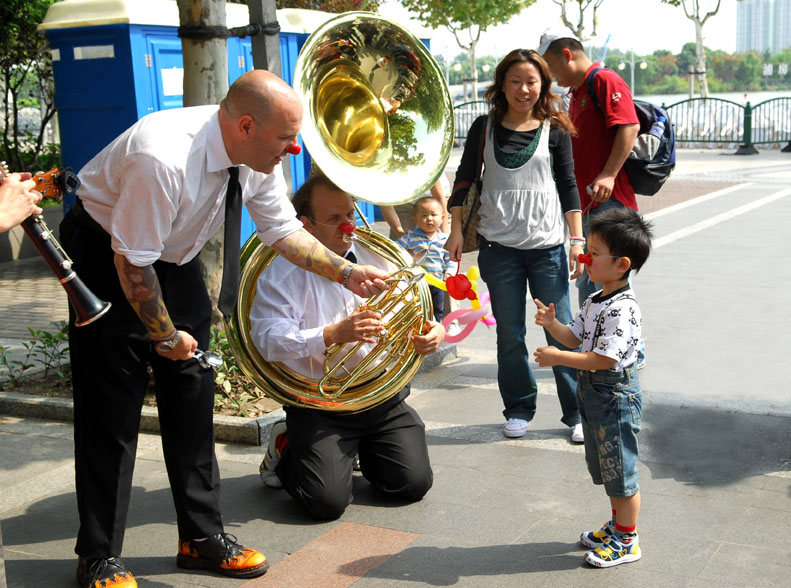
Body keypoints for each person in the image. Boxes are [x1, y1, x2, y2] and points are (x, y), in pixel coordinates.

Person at [58, 70, 388, 588]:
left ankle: (201, 538)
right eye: (286, 137)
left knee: (192, 395)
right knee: (111, 409)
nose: (295, 149)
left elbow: (280, 229)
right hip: (110, 255)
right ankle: (97, 555)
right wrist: (164, 337)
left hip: (171, 257)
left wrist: (346, 271)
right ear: (246, 126)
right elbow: (133, 263)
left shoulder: (257, 154)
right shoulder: (161, 156)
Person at [249, 175, 443, 520]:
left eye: (351, 214)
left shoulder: (380, 255)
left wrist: (433, 331)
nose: (350, 226)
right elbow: (267, 342)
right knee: (324, 505)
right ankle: (285, 449)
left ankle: (357, 451)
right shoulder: (278, 275)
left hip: (381, 396)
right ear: (305, 224)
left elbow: (415, 308)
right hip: (321, 404)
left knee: (411, 484)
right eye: (335, 219)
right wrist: (331, 334)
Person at [445, 49, 586, 442]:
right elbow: (464, 180)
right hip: (498, 247)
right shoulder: (483, 127)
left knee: (559, 331)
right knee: (509, 333)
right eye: (515, 81)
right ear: (502, 85)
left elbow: (569, 185)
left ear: (543, 85)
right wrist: (456, 230)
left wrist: (577, 240)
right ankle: (520, 408)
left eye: (532, 81)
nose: (524, 89)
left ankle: (576, 413)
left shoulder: (555, 128)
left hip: (546, 248)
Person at [533, 207, 653, 568]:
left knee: (622, 472)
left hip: (615, 396)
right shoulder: (595, 299)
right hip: (595, 394)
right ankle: (617, 526)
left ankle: (627, 539)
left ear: (621, 264)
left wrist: (558, 358)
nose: (586, 257)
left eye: (594, 253)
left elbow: (603, 359)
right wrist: (554, 326)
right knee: (607, 467)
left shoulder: (623, 309)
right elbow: (575, 337)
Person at [538, 30, 640, 307]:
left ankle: (623, 350)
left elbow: (629, 126)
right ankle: (595, 348)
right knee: (590, 287)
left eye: (551, 66)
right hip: (588, 206)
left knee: (610, 291)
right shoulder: (579, 89)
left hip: (609, 205)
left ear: (567, 56)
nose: (551, 75)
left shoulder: (604, 79)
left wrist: (608, 174)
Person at [397, 196, 458, 323]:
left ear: (442, 218)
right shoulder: (410, 237)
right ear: (415, 219)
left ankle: (434, 334)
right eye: (424, 215)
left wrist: (449, 274)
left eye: (434, 215)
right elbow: (396, 250)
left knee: (437, 311)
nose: (429, 219)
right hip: (417, 284)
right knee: (417, 310)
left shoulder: (445, 239)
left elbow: (451, 259)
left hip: (437, 284)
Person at [381, 175, 451, 239]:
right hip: (403, 201)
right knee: (399, 245)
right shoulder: (382, 172)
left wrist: (444, 236)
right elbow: (386, 206)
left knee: (447, 244)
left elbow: (439, 197)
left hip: (435, 200)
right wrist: (400, 234)